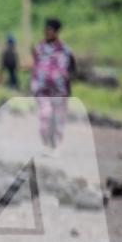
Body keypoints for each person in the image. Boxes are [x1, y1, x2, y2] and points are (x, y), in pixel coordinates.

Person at [30, 18, 77, 155]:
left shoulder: (65, 50)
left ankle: (55, 146)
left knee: (57, 120)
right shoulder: (38, 48)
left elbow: (73, 69)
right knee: (45, 116)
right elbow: (35, 65)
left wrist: (63, 78)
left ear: (56, 32)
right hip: (42, 90)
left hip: (60, 91)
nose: (47, 32)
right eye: (45, 29)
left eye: (50, 30)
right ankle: (46, 144)